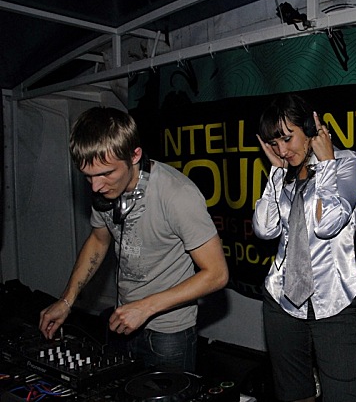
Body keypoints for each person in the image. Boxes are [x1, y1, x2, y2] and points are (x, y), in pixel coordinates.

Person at [39, 107, 228, 373]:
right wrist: (67, 300)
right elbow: (99, 240)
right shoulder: (104, 192)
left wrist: (145, 308)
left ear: (135, 155)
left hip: (168, 333)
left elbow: (217, 274)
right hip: (123, 321)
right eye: (88, 176)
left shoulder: (178, 195)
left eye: (106, 173)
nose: (96, 187)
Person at [253, 93, 356, 402]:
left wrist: (326, 164)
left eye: (287, 138)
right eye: (274, 143)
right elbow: (264, 229)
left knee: (343, 395)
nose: (282, 151)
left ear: (310, 128)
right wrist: (276, 173)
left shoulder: (346, 162)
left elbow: (327, 224)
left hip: (333, 300)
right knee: (293, 393)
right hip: (281, 299)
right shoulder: (285, 173)